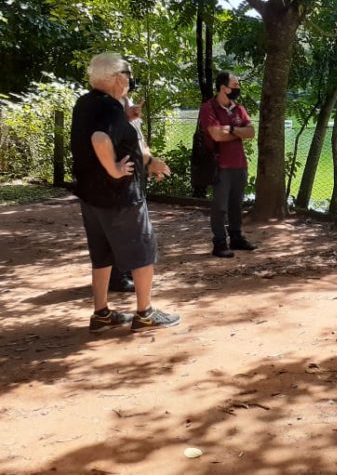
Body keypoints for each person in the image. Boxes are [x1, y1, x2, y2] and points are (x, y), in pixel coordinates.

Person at [70, 52, 180, 333]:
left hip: (92, 197)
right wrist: (115, 169)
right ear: (118, 78)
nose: (131, 80)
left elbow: (98, 132)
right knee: (143, 253)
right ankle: (144, 313)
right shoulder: (109, 109)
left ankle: (101, 313)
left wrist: (127, 117)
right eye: (128, 75)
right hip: (120, 198)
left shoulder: (87, 103)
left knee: (102, 256)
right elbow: (100, 138)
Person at [199, 72, 257, 258]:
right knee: (220, 206)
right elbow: (216, 135)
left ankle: (236, 237)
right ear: (223, 88)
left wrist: (231, 129)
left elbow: (251, 132)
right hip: (220, 165)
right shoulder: (209, 108)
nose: (237, 88)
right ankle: (219, 242)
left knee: (236, 205)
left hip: (240, 164)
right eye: (234, 85)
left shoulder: (239, 109)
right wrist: (238, 133)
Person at [108, 94, 148, 293]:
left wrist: (149, 160)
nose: (129, 80)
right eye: (126, 74)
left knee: (134, 226)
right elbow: (110, 136)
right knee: (121, 226)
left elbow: (139, 138)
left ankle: (129, 270)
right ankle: (117, 276)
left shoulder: (129, 101)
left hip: (137, 170)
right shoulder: (110, 104)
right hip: (123, 172)